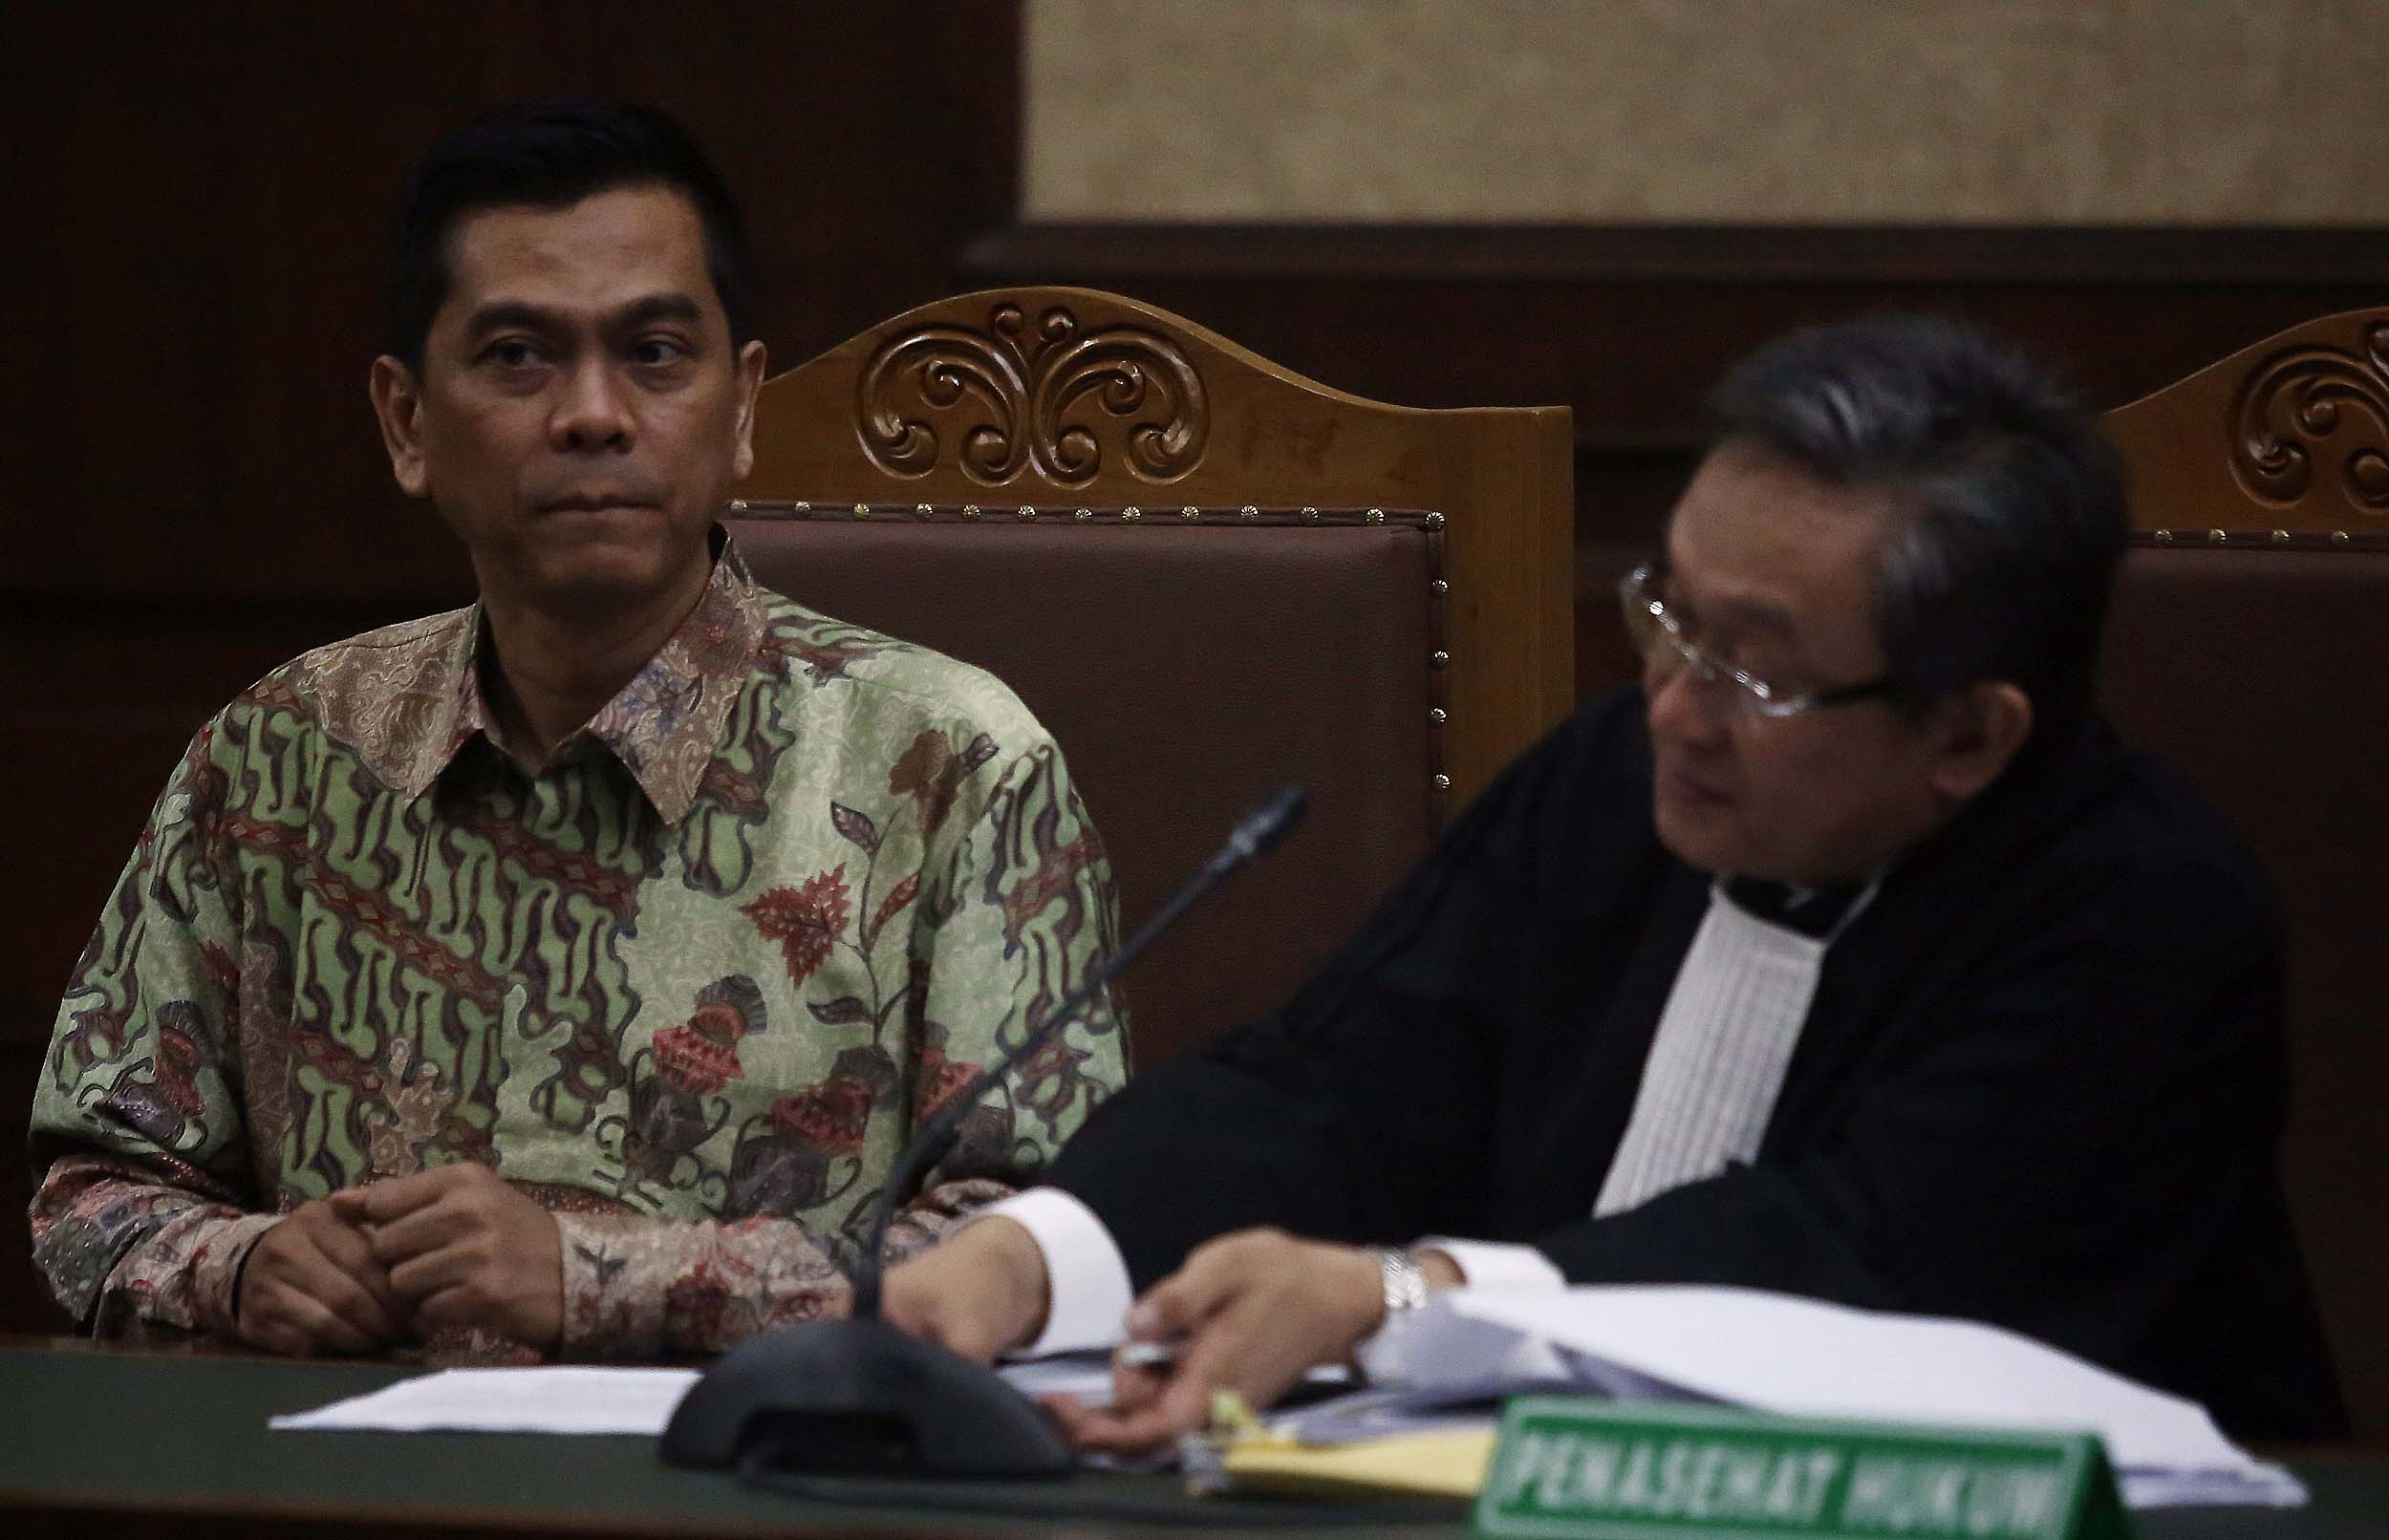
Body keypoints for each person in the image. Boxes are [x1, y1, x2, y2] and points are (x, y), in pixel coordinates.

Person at [883, 315, 2345, 1444]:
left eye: (1756, 668)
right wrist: (1030, 1255)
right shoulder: (1616, 785)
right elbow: (1331, 1093)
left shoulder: (2146, 920)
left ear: (1967, 734)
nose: (1675, 707)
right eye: (1670, 616)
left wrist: (1397, 1299)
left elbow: (1848, 1266)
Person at [29, 97, 1125, 1360]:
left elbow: (1045, 1242)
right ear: (406, 423)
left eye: (654, 353)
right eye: (518, 357)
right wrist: (243, 1268)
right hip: (347, 1455)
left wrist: (603, 1279)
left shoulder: (952, 764)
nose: (593, 413)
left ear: (743, 406)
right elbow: (92, 1196)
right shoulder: (278, 755)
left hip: (771, 1454)